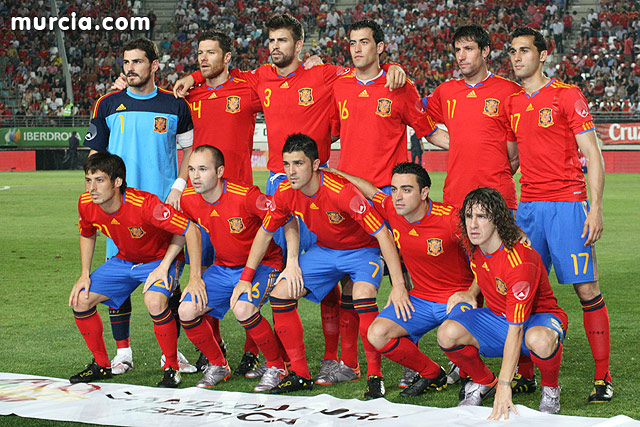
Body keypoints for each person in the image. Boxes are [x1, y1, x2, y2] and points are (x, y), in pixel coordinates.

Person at [174, 13, 406, 382]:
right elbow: (219, 73)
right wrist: (194, 77)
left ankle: (336, 358)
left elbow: (365, 70)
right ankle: (274, 357)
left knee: (332, 279)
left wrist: (393, 67)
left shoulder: (324, 74)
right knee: (280, 272)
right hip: (278, 186)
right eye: (271, 41)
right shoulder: (259, 77)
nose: (275, 47)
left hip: (317, 183)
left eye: (282, 40)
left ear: (299, 45)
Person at [234, 133, 409, 398]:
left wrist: (398, 285)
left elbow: (382, 233)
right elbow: (265, 232)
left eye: (298, 163)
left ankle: (374, 375)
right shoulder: (285, 191)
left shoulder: (342, 192)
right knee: (280, 293)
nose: (291, 171)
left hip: (363, 250)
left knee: (362, 294)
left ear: (316, 164)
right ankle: (300, 374)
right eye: (287, 164)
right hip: (325, 251)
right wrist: (246, 278)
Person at [505, 27, 612, 403]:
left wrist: (595, 208)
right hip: (528, 210)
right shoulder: (512, 103)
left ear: (543, 54)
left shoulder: (567, 95)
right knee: (524, 290)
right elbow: (510, 161)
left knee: (586, 289)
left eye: (524, 50)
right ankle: (525, 374)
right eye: (512, 51)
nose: (517, 57)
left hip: (568, 206)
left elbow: (593, 154)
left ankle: (602, 376)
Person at [424, 25, 532, 393]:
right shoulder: (445, 92)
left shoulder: (508, 91)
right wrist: (457, 144)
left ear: (485, 51)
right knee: (463, 280)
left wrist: (493, 180)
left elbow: (514, 153)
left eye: (468, 48)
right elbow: (424, 124)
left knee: (502, 279)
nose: (461, 56)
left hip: (497, 201)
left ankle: (521, 366)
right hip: (456, 199)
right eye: (457, 49)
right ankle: (466, 356)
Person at [84, 37, 195, 377]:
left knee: (168, 282)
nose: (130, 68)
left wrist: (178, 186)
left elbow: (189, 151)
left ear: (154, 65)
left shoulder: (175, 105)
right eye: (126, 62)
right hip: (119, 208)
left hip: (160, 208)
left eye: (137, 61)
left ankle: (171, 354)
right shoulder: (107, 104)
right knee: (118, 284)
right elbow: (95, 157)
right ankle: (123, 352)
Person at [329, 162, 475, 397]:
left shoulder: (450, 218)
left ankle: (477, 377)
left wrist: (472, 292)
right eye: (395, 189)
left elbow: (486, 253)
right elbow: (371, 191)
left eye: (406, 190)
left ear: (424, 192)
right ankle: (431, 373)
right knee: (377, 333)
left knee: (451, 335)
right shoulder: (392, 208)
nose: (397, 196)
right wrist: (337, 173)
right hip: (421, 298)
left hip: (456, 299)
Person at [68, 152, 202, 388]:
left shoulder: (145, 204)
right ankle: (101, 365)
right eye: (88, 180)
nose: (92, 188)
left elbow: (189, 229)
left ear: (117, 181)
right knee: (80, 299)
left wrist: (186, 275)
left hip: (160, 259)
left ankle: (171, 367)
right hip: (125, 260)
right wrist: (84, 274)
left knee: (154, 302)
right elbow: (87, 234)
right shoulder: (86, 203)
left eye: (99, 180)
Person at [438, 187, 568, 418]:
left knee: (539, 340)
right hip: (499, 316)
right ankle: (484, 382)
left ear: (497, 220)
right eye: (469, 216)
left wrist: (505, 385)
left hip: (538, 318)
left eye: (482, 216)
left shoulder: (519, 262)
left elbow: (516, 328)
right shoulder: (475, 243)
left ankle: (550, 389)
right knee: (447, 333)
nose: (473, 224)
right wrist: (470, 292)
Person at [178, 145, 296, 392]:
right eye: (191, 169)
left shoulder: (246, 196)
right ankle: (218, 364)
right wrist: (195, 276)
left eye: (202, 169)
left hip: (265, 264)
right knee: (187, 310)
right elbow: (189, 232)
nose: (195, 176)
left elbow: (287, 216)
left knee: (243, 308)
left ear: (220, 171)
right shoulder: (188, 198)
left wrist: (293, 261)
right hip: (224, 267)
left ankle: (278, 366)